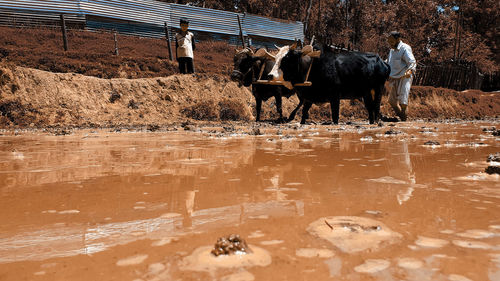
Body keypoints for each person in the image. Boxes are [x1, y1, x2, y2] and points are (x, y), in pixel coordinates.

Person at [386, 31, 416, 121]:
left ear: (398, 39)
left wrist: (410, 70)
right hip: (394, 77)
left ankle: (403, 121)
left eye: (391, 41)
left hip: (404, 76)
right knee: (392, 101)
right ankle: (402, 117)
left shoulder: (405, 48)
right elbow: (388, 62)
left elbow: (412, 61)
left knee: (403, 101)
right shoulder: (391, 50)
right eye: (389, 41)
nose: (390, 43)